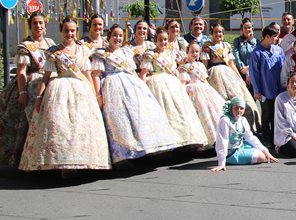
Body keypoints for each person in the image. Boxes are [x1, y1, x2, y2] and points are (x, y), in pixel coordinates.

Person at [19, 18, 111, 171]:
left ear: (76, 32)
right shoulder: (55, 51)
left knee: (81, 128)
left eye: (73, 31)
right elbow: (46, 76)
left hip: (81, 90)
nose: (70, 33)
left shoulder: (83, 50)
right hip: (58, 89)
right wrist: (39, 97)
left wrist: (95, 96)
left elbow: (87, 74)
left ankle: (83, 161)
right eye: (66, 30)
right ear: (61, 31)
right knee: (59, 127)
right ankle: (63, 165)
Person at [92, 24, 181, 163]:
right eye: (115, 35)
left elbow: (132, 71)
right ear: (109, 37)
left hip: (129, 84)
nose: (118, 38)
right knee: (118, 120)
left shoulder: (126, 52)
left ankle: (143, 149)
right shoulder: (101, 54)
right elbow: (96, 75)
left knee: (138, 115)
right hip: (111, 86)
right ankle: (122, 156)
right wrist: (97, 95)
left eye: (120, 35)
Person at [0, 11, 54, 167]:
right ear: (30, 26)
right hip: (31, 84)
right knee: (28, 122)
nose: (38, 26)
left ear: (45, 26)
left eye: (41, 23)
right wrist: (22, 92)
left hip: (49, 82)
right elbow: (21, 72)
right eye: (35, 23)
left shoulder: (50, 43)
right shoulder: (26, 46)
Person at [139, 30, 208, 149]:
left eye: (165, 39)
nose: (163, 42)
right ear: (155, 40)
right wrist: (144, 90)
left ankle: (184, 141)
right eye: (160, 39)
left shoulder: (171, 53)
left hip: (172, 83)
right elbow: (144, 74)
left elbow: (176, 70)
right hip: (156, 84)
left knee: (179, 112)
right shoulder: (150, 54)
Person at [204, 21, 260, 126]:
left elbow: (231, 63)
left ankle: (247, 124)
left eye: (220, 32)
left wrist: (239, 78)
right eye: (215, 32)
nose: (218, 34)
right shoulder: (207, 46)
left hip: (228, 72)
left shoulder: (226, 45)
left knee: (238, 96)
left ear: (223, 34)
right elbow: (205, 65)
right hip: (214, 73)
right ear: (212, 33)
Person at [179, 41, 227, 148]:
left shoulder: (200, 65)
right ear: (187, 51)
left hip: (203, 90)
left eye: (197, 51)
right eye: (192, 51)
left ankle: (217, 138)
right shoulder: (184, 65)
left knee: (211, 112)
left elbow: (204, 80)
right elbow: (183, 82)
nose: (195, 54)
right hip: (191, 91)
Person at [212, 97, 279, 171]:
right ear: (231, 108)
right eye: (236, 108)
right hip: (230, 153)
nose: (239, 110)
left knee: (263, 153)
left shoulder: (242, 120)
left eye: (241, 108)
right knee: (261, 157)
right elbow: (222, 141)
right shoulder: (225, 120)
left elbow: (250, 137)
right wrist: (221, 162)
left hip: (240, 146)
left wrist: (266, 151)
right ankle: (229, 160)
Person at [249, 26, 284, 144]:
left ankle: (276, 137)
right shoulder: (257, 53)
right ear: (267, 37)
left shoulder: (278, 50)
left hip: (279, 87)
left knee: (277, 114)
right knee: (267, 113)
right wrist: (257, 90)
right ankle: (266, 137)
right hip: (265, 89)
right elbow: (254, 73)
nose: (276, 39)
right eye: (274, 36)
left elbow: (283, 67)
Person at [233, 18, 258, 86]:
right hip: (241, 72)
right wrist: (244, 71)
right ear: (242, 29)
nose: (247, 30)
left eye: (249, 27)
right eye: (245, 28)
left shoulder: (257, 42)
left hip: (254, 72)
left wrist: (248, 70)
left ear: (252, 28)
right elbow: (236, 56)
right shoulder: (237, 41)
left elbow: (257, 58)